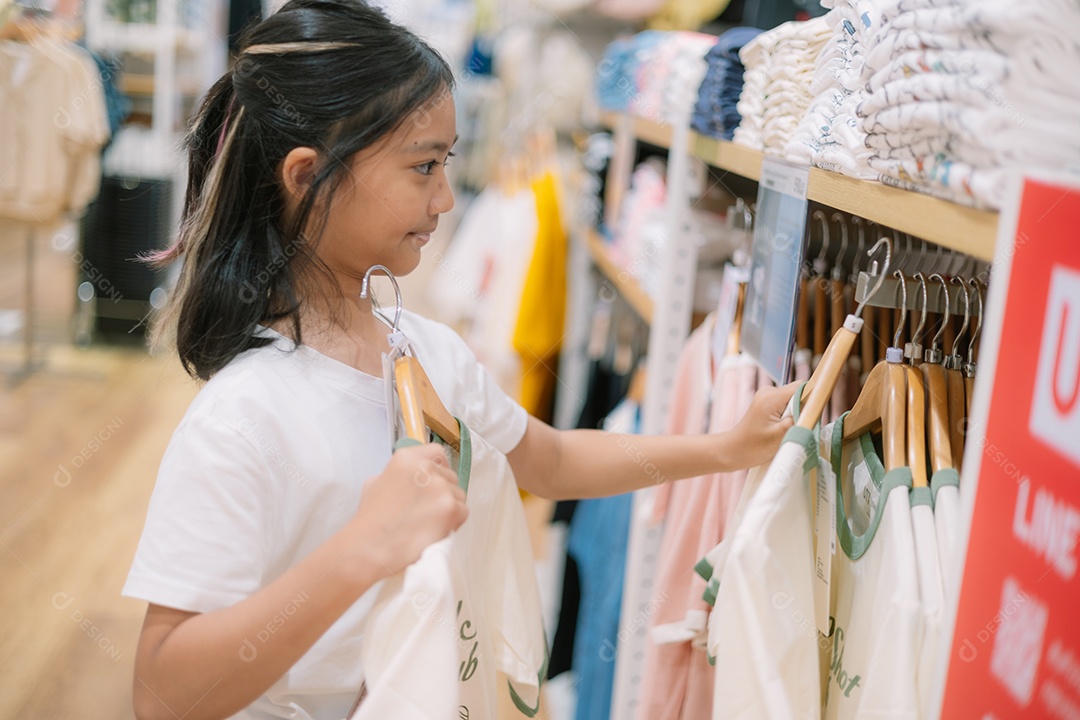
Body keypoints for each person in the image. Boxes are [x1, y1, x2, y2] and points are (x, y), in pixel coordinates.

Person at [124, 1, 798, 718]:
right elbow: (162, 690)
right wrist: (362, 549)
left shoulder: (425, 352)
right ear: (305, 176)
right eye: (423, 167)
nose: (446, 197)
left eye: (445, 163)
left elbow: (552, 461)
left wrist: (725, 448)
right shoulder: (241, 417)